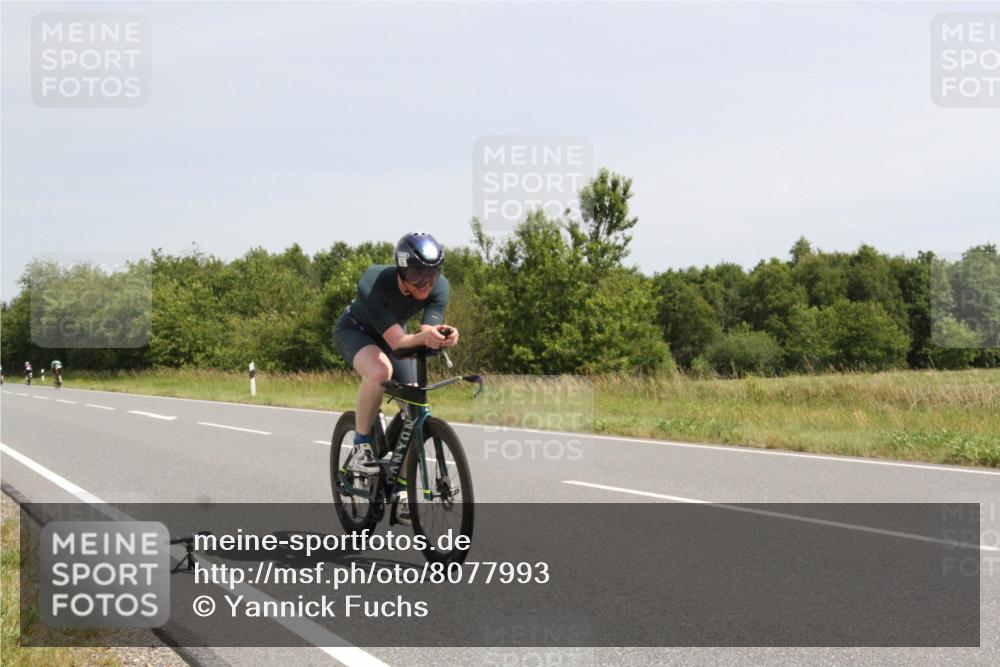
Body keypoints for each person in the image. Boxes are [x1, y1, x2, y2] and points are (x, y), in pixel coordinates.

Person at [333, 232, 459, 523]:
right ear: (401, 271)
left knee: (414, 401)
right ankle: (362, 448)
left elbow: (428, 331)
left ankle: (402, 489)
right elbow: (400, 344)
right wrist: (424, 337)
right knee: (380, 373)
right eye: (417, 275)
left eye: (432, 274)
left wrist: (445, 336)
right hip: (357, 331)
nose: (426, 283)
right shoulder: (373, 282)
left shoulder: (440, 288)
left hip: (395, 334)